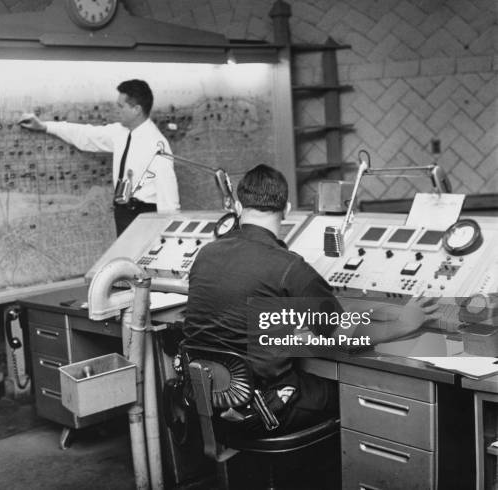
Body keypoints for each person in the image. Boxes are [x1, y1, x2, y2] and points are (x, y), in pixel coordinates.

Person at [183, 164, 438, 436]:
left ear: (237, 206)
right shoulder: (289, 267)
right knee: (350, 391)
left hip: (206, 398)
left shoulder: (205, 254)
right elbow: (342, 334)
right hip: (262, 408)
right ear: (288, 209)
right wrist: (406, 321)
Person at [19, 79, 180, 236]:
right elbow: (86, 134)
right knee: (124, 262)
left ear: (136, 109)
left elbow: (169, 200)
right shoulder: (121, 132)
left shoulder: (157, 145)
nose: (116, 110)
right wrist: (45, 126)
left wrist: (169, 242)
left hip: (144, 218)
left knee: (140, 262)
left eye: (120, 106)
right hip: (124, 213)